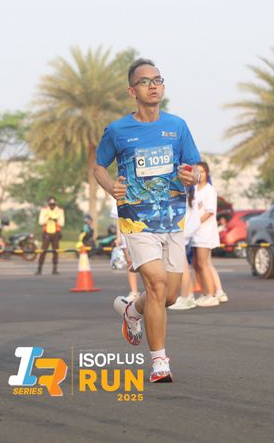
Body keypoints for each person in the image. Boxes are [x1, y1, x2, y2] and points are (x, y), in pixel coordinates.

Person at [94, 58, 201, 383]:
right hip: (136, 219)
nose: (153, 86)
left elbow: (195, 167)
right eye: (144, 81)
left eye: (157, 80)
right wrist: (111, 187)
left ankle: (132, 311)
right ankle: (159, 362)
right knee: (155, 285)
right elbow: (98, 166)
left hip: (172, 219)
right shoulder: (118, 130)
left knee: (169, 296)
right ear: (132, 91)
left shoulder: (177, 126)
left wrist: (193, 176)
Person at [188, 161, 228, 306]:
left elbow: (209, 212)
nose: (200, 174)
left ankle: (212, 295)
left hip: (205, 233)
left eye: (202, 172)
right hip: (194, 233)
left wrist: (195, 223)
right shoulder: (193, 189)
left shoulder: (209, 190)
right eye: (197, 171)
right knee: (196, 264)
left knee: (203, 264)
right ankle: (205, 293)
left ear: (207, 174)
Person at [110, 199, 140, 301]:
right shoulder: (120, 195)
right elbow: (119, 218)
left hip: (143, 231)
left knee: (147, 263)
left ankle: (151, 291)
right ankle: (134, 292)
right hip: (126, 233)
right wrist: (118, 237)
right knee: (130, 262)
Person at [37, 196, 65, 275]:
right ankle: (39, 269)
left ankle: (54, 269)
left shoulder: (60, 211)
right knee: (43, 251)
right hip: (46, 233)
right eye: (50, 204)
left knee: (55, 251)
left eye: (53, 204)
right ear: (48, 204)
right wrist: (48, 218)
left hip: (56, 233)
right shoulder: (44, 210)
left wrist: (54, 219)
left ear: (55, 204)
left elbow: (62, 223)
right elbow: (40, 222)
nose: (52, 206)